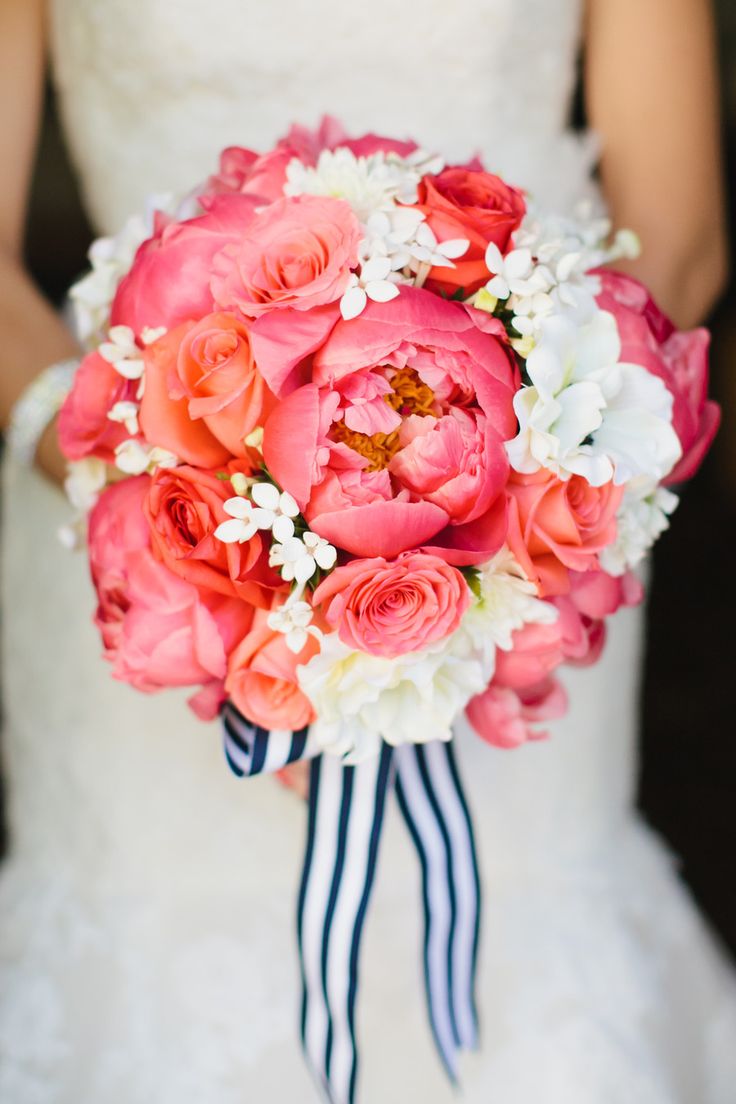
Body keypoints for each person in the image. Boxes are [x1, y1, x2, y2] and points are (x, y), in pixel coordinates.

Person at [1, 1, 734, 1101]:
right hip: (149, 518)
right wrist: (176, 497)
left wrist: (512, 504)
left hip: (520, 517)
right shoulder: (160, 503)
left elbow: (677, 235)